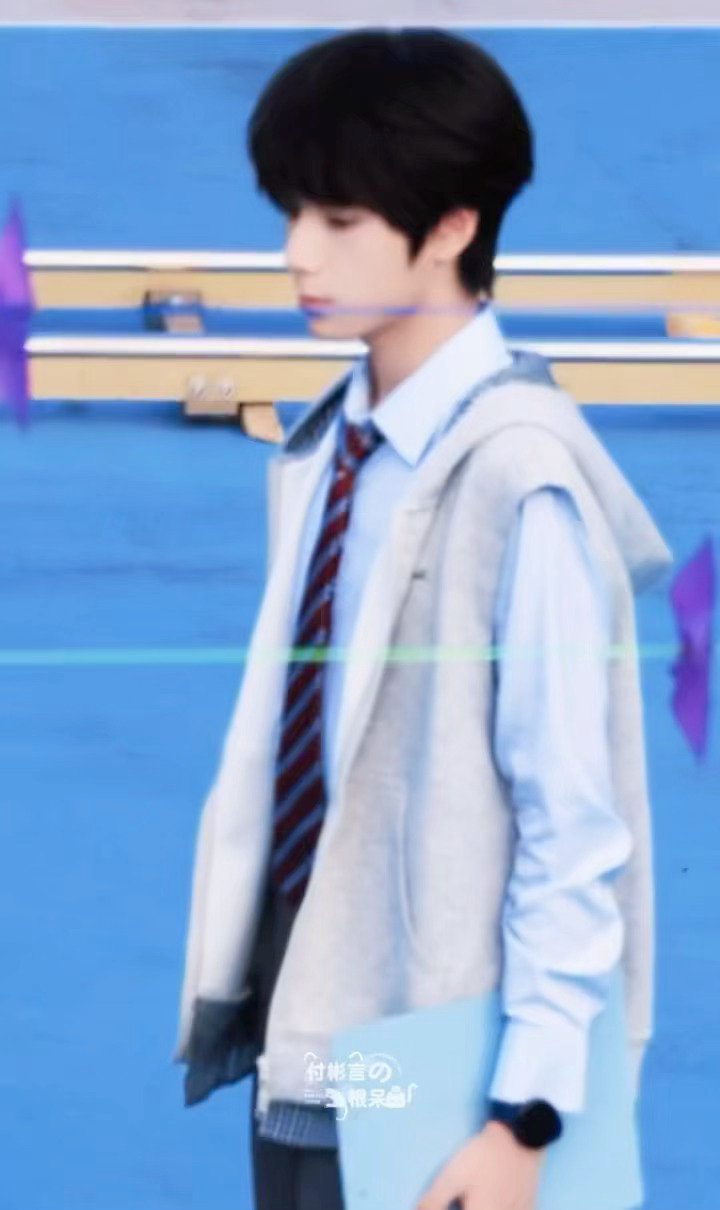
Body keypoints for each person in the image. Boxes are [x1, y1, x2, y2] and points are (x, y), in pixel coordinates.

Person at [174, 28, 672, 1210]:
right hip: (311, 1011)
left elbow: (571, 826)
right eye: (293, 213)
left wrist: (525, 1117)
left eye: (339, 220)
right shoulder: (334, 445)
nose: (298, 252)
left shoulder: (519, 480)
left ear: (452, 227)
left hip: (436, 1056)